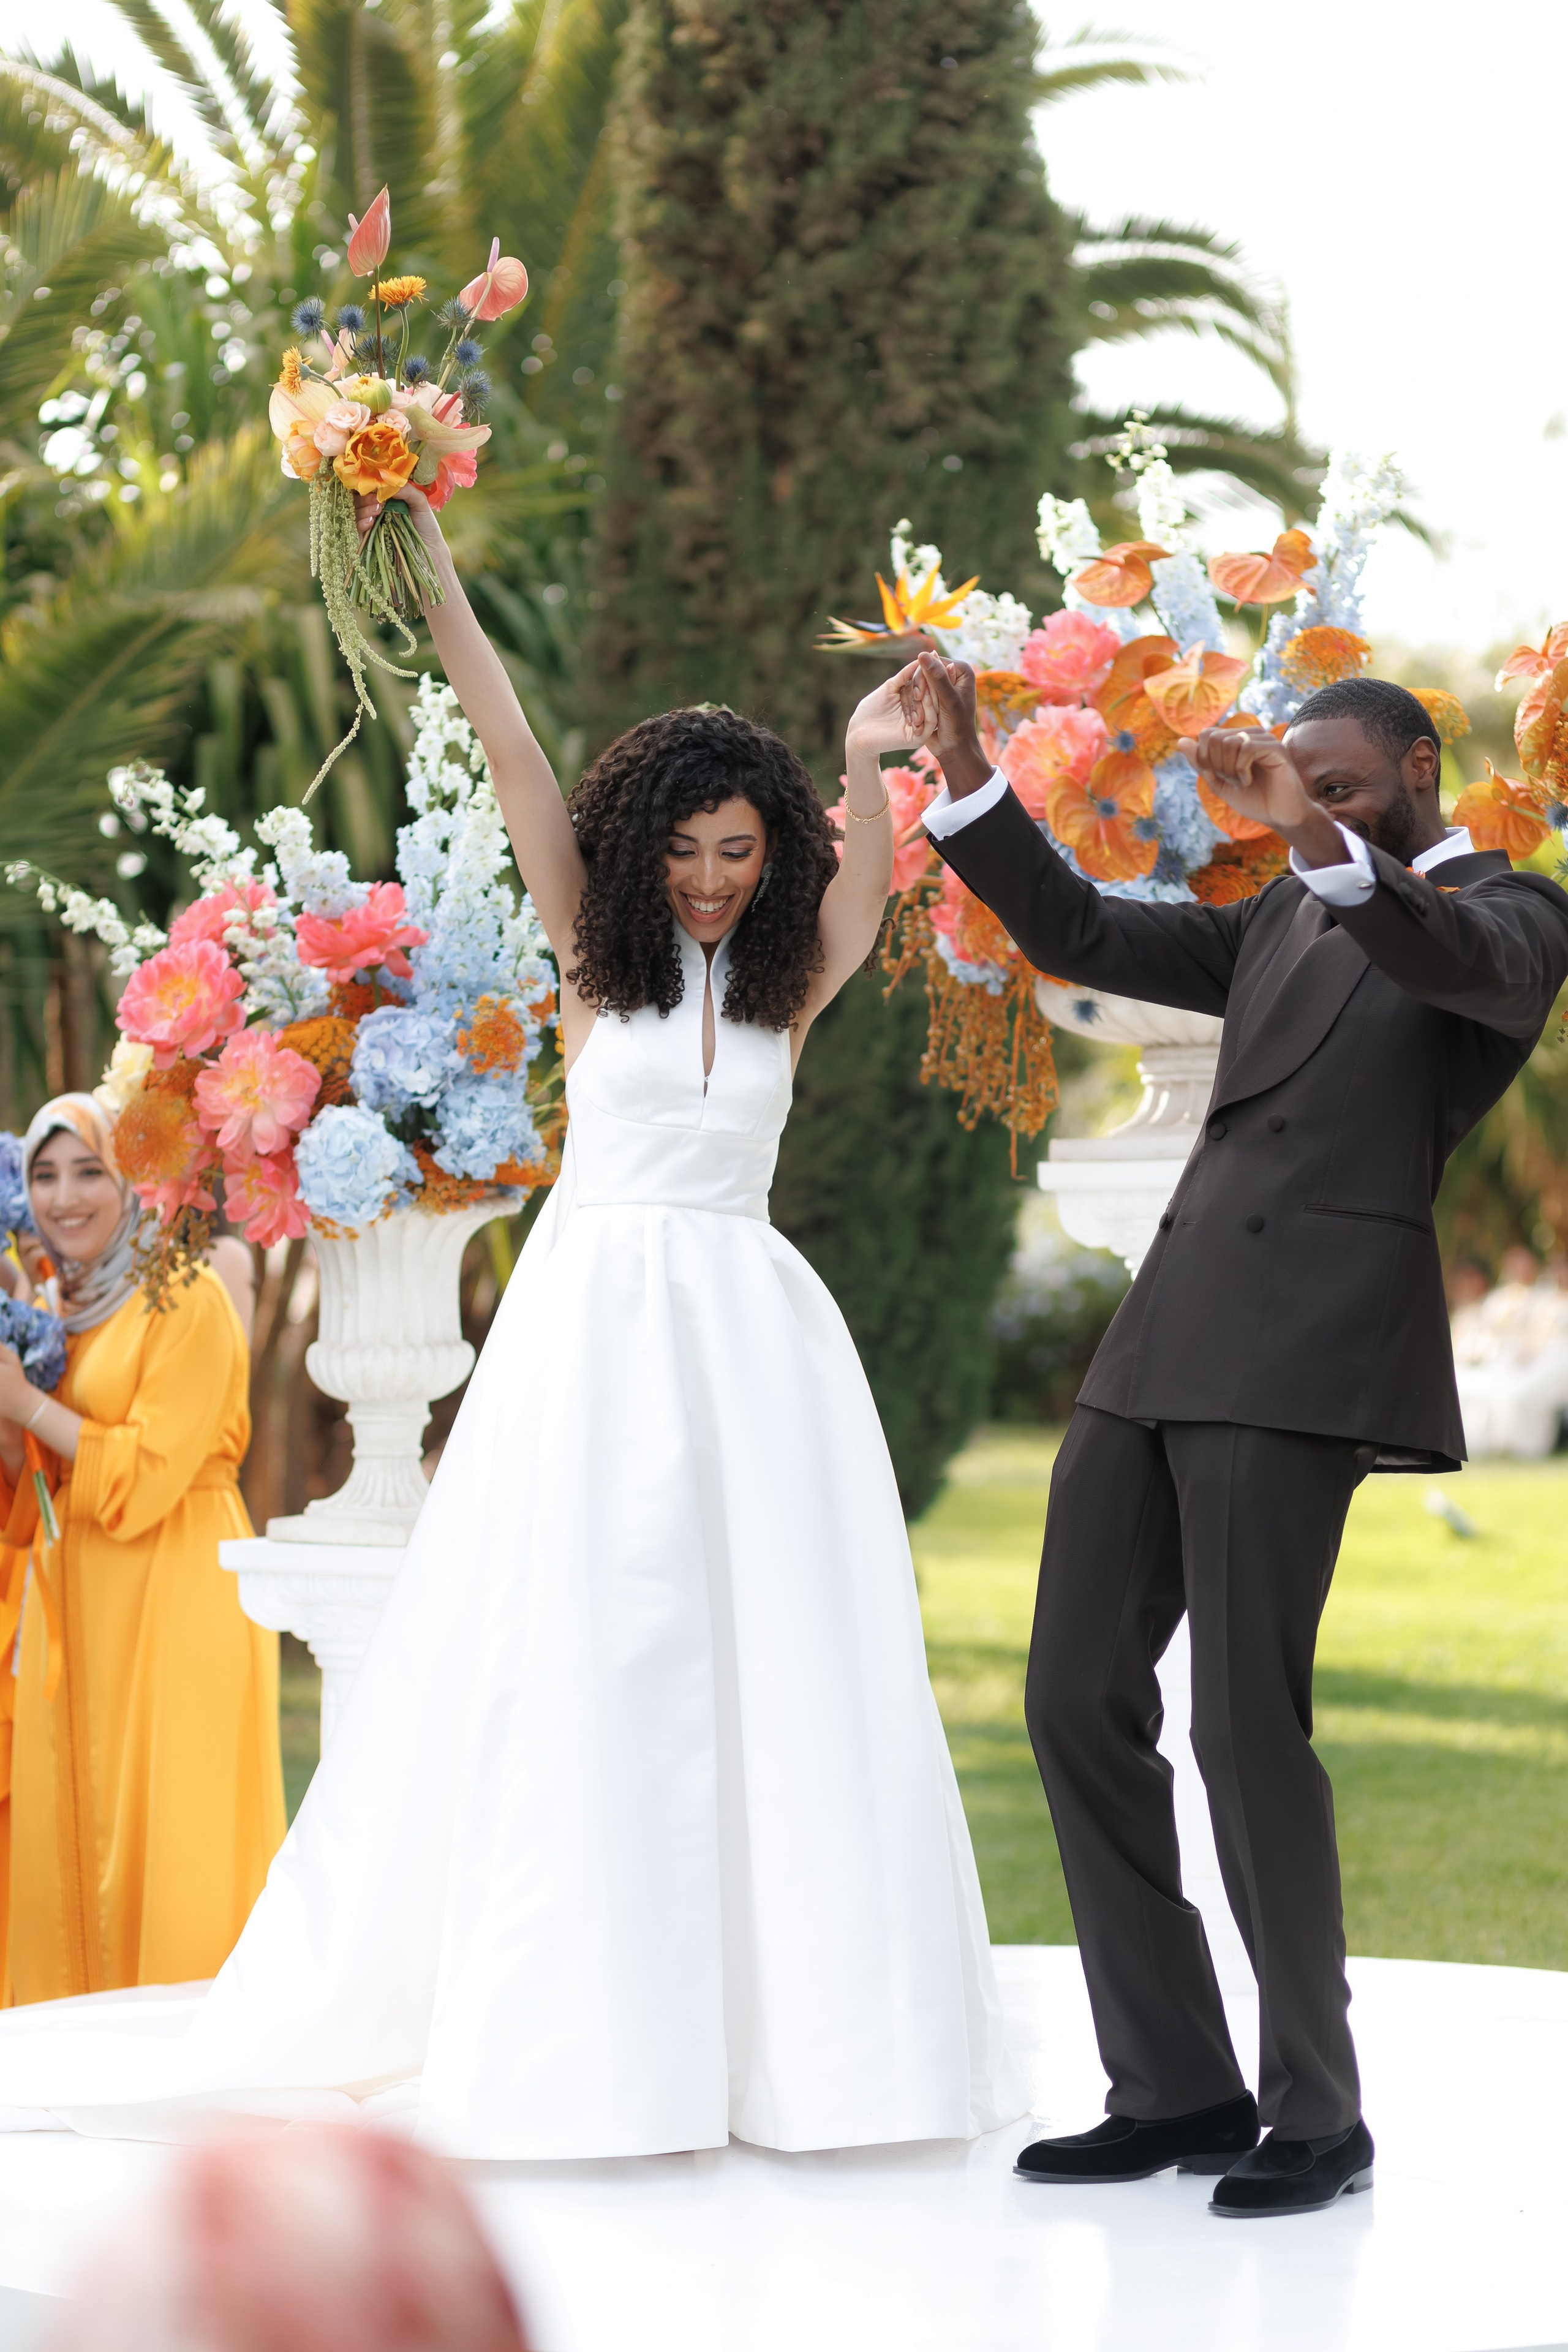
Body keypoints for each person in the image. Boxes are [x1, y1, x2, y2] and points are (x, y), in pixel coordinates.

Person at [0, 489, 1022, 2157]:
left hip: (754, 1345)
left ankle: (793, 2046)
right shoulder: (590, 968)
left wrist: (860, 756)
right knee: (596, 1652)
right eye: (682, 851)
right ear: (640, 854)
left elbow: (871, 878)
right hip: (596, 1338)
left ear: (771, 853)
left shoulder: (787, 984)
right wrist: (436, 580)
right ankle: (587, 2036)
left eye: (736, 852)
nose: (708, 879)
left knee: (778, 1660)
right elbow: (513, 744)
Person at [902, 654, 1568, 2217]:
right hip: (1159, 1337)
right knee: (1070, 1696)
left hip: (1299, 1356)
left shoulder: (1513, 912)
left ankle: (1316, 2117)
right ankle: (1172, 2084)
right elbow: (1079, 933)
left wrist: (1307, 837)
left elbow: (1443, 952)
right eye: (1294, 783)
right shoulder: (1274, 916)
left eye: (1337, 787)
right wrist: (969, 773)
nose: (1307, 806)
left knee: (1239, 1724)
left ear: (1417, 771)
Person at [0, 1097, 284, 2005]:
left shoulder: (184, 1296)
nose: (65, 1197)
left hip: (174, 1586)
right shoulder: (60, 1311)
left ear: (133, 1182)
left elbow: (153, 1471)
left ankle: (177, 2055)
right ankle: (73, 2046)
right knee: (73, 1833)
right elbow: (40, 1479)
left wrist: (25, 1404)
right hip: (77, 1591)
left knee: (175, 1832)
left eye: (90, 1171)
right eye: (45, 1176)